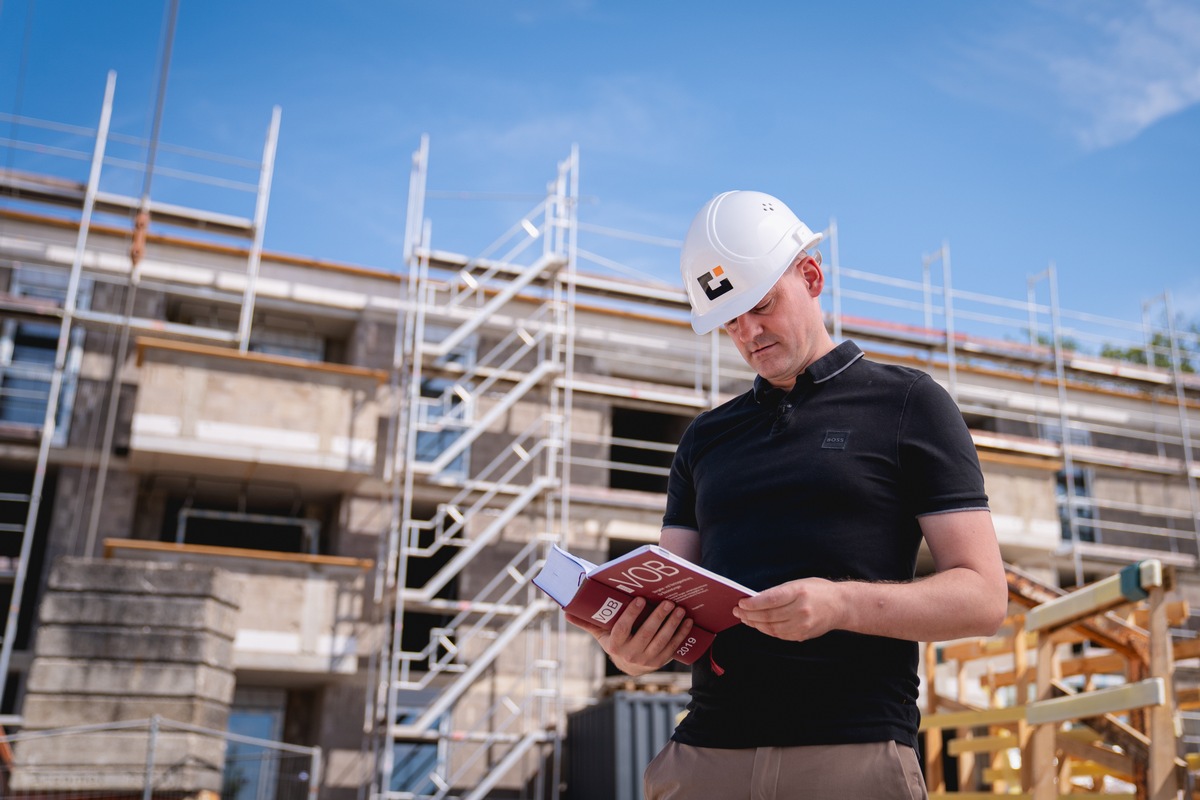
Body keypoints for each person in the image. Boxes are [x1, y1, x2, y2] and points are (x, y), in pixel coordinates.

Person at [567, 190, 1008, 800]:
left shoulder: (909, 404)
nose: (748, 333)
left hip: (850, 758)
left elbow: (984, 598)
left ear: (811, 275)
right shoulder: (704, 438)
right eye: (729, 321)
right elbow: (675, 593)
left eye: (762, 305)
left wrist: (840, 605)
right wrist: (633, 649)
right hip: (703, 760)